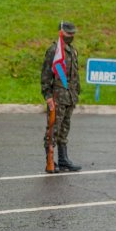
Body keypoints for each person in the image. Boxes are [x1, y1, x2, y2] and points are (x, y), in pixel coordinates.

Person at [40, 21, 82, 172]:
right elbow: (46, 75)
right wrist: (48, 96)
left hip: (69, 97)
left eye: (73, 33)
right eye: (69, 33)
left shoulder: (72, 50)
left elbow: (74, 75)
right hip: (57, 97)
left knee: (64, 129)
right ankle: (50, 162)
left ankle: (63, 160)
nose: (72, 36)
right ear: (61, 33)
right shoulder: (54, 51)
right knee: (53, 130)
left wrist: (76, 93)